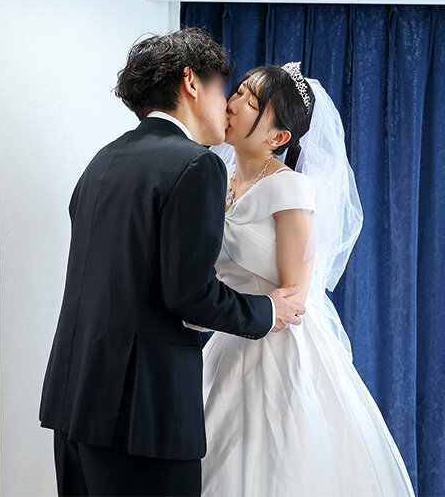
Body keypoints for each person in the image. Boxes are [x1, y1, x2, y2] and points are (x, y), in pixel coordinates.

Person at [38, 28, 306, 496]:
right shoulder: (196, 165)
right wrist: (268, 310)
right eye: (225, 90)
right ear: (192, 83)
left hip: (73, 401)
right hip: (142, 415)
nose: (227, 106)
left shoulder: (104, 159)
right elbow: (190, 295)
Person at [199, 63, 416, 496]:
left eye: (251, 103)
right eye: (238, 92)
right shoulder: (219, 180)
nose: (233, 103)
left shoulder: (289, 188)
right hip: (232, 334)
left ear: (278, 138)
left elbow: (295, 294)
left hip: (279, 344)